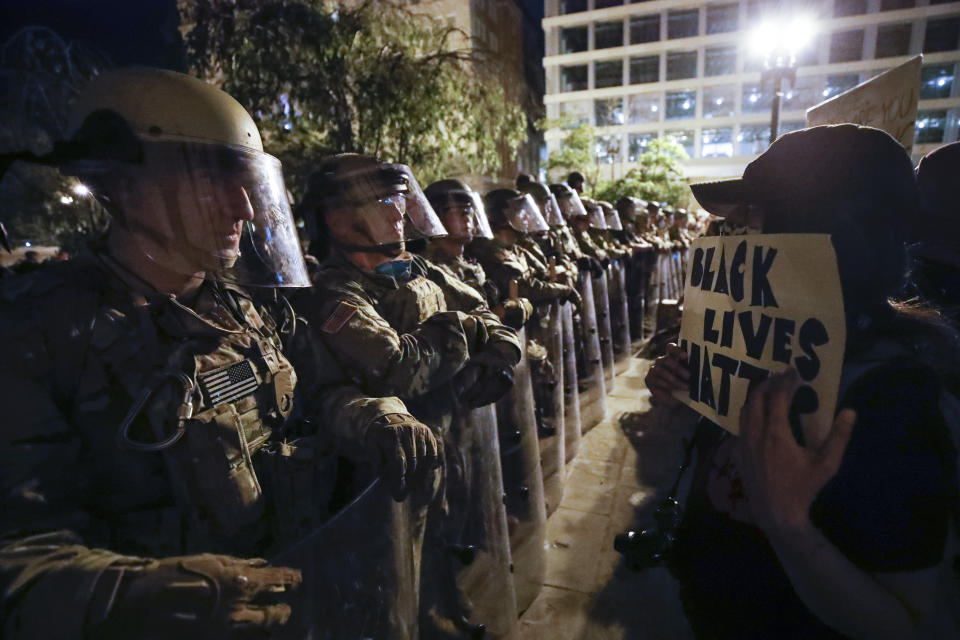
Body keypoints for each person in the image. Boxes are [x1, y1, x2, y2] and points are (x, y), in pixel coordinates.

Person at [0, 68, 426, 640]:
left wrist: (372, 414)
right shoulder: (37, 333)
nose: (246, 208)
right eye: (213, 180)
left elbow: (317, 392)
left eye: (248, 180)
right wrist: (131, 595)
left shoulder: (250, 305)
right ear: (123, 186)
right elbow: (20, 549)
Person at [644, 124, 959, 639]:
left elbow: (903, 620)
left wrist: (787, 523)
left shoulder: (894, 403)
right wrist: (686, 399)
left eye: (754, 213)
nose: (730, 230)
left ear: (824, 228)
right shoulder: (766, 343)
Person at [294, 154, 522, 636]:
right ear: (337, 220)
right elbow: (398, 370)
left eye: (398, 197)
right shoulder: (335, 294)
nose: (399, 210)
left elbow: (490, 318)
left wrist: (496, 350)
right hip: (385, 473)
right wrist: (466, 331)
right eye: (382, 201)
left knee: (440, 546)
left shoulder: (415, 268)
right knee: (392, 577)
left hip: (446, 440)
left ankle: (442, 616)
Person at [423, 178, 533, 330]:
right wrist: (498, 314)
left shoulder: (469, 261)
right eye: (459, 211)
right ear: (435, 216)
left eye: (469, 211)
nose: (468, 218)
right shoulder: (427, 269)